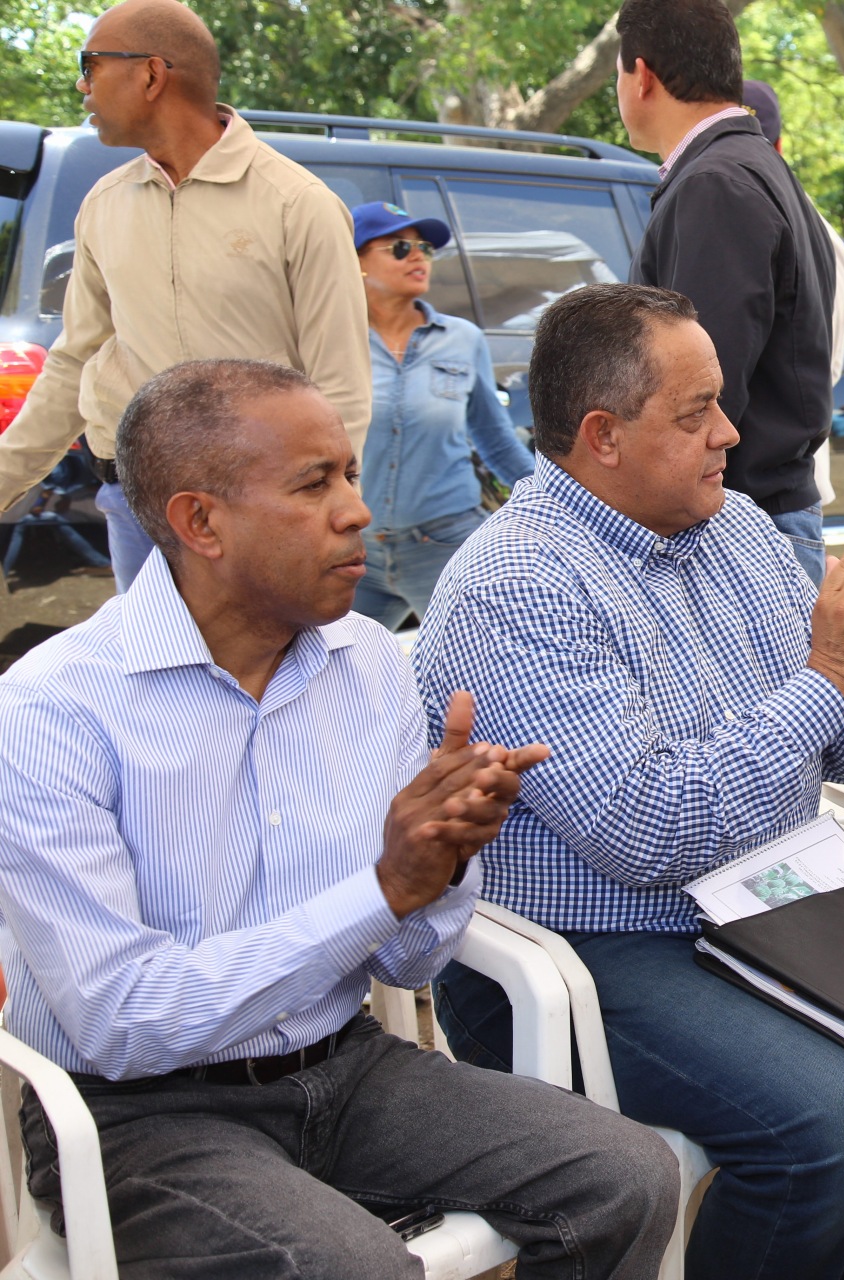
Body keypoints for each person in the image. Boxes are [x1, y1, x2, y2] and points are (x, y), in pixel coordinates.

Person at [415, 284, 844, 1280]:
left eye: (720, 401)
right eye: (696, 412)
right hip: (593, 947)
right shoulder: (516, 586)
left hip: (765, 904)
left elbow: (840, 750)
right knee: (841, 1121)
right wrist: (831, 677)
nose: (729, 431)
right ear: (602, 436)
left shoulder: (734, 530)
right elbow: (645, 831)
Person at [0, 358, 679, 1276]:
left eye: (351, 474)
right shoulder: (54, 710)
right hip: (135, 1114)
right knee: (355, 1269)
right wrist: (384, 888)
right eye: (314, 483)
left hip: (344, 1066)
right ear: (201, 522)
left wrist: (441, 863)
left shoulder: (367, 662)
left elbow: (410, 963)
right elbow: (120, 1022)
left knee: (627, 1175)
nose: (358, 511)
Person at [0, 0, 369, 591]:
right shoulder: (103, 205)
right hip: (135, 508)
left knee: (270, 654)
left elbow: (340, 383)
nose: (82, 86)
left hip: (257, 516)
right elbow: (74, 362)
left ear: (151, 74)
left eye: (90, 65)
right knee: (154, 655)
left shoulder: (297, 204)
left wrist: (326, 516)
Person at [617, 0, 840, 581]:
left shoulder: (716, 183)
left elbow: (697, 394)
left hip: (734, 528)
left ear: (641, 76)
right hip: (755, 518)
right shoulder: (748, 166)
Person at [348, 200, 535, 628]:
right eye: (400, 248)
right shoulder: (335, 337)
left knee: (477, 663)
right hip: (356, 550)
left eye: (425, 249)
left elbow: (496, 441)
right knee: (331, 663)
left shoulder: (462, 339)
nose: (418, 257)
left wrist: (557, 503)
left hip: (444, 544)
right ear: (355, 261)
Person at [741, 77, 844, 584]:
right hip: (781, 481)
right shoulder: (821, 232)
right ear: (782, 144)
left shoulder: (731, 198)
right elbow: (826, 365)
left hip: (768, 488)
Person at [1, 453, 114, 589]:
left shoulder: (58, 470)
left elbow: (53, 487)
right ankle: (101, 561)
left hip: (91, 498)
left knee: (25, 522)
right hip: (83, 494)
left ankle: (101, 562)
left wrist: (45, 501)